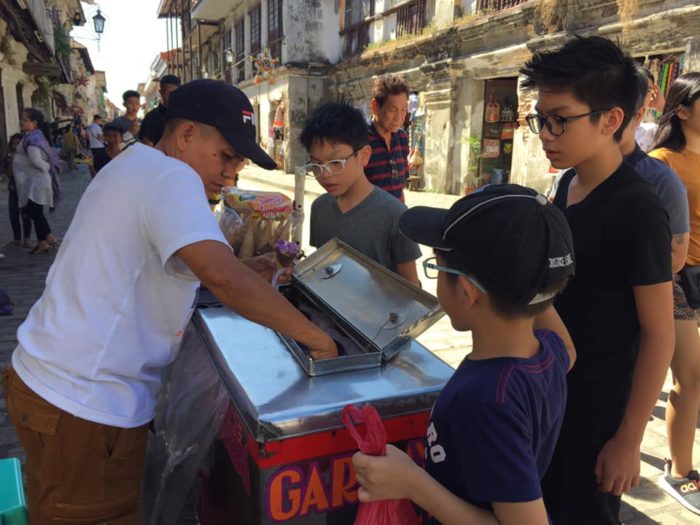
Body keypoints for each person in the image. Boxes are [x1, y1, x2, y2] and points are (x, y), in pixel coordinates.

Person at [2, 80, 337, 524]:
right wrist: (318, 341)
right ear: (186, 136)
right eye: (225, 156)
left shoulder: (135, 164)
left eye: (237, 162)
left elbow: (171, 265)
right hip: (82, 404)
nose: (231, 173)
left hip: (54, 388)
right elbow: (222, 274)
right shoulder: (170, 176)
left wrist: (245, 270)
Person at [353, 184, 576, 525]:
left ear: (467, 291)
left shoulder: (485, 401)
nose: (437, 279)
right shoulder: (550, 353)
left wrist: (411, 483)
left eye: (439, 269)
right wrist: (531, 278)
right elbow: (569, 346)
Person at [520, 36, 674, 525]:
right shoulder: (568, 184)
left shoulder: (639, 209)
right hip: (550, 393)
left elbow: (659, 332)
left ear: (611, 120)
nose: (546, 132)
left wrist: (629, 439)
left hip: (598, 412)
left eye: (559, 119)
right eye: (540, 119)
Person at [648, 72, 700, 514]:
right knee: (690, 375)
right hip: (676, 277)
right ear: (682, 110)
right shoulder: (662, 161)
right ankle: (681, 471)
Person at [300, 102, 421, 286]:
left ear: (364, 155)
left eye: (336, 163)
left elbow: (411, 289)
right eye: (316, 164)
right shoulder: (320, 208)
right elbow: (323, 270)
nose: (324, 174)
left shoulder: (395, 215)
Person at [13, 108, 61, 255]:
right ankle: (48, 239)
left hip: (36, 183)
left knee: (35, 212)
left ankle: (44, 242)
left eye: (25, 120)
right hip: (33, 182)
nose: (22, 122)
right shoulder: (33, 136)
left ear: (34, 123)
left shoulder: (33, 139)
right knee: (35, 212)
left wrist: (46, 166)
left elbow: (36, 161)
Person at [364, 75, 410, 202]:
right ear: (375, 106)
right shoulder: (359, 139)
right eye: (392, 110)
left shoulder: (402, 138)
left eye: (403, 110)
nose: (399, 118)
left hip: (397, 216)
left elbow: (400, 186)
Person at [139, 74, 181, 147]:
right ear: (161, 92)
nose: (170, 96)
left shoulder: (184, 115)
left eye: (174, 93)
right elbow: (147, 147)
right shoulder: (152, 117)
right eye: (167, 93)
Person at [6, 133, 32, 247]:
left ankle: (26, 238)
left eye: (18, 143)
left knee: (26, 214)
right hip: (13, 190)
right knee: (13, 214)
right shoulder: (8, 158)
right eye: (13, 144)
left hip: (25, 189)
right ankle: (17, 238)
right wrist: (12, 160)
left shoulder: (28, 157)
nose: (15, 146)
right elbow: (9, 174)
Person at [635, 68, 666, 152]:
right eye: (636, 88)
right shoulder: (606, 127)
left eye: (648, 90)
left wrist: (663, 108)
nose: (642, 95)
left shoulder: (651, 131)